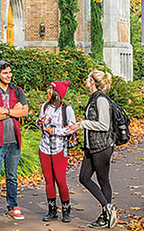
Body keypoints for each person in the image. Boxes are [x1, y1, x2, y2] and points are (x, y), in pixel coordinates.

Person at [66, 70, 117, 229]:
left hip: (101, 147)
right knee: (84, 177)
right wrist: (78, 126)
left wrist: (82, 124)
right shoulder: (94, 98)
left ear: (93, 82)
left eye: (88, 78)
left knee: (103, 180)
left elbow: (104, 125)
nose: (86, 81)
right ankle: (108, 208)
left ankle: (106, 214)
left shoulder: (101, 99)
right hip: (91, 146)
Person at [0, 61, 29, 221]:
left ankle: (13, 206)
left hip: (14, 141)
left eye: (10, 72)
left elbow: (25, 112)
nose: (9, 75)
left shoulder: (17, 90)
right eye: (5, 73)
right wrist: (14, 111)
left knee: (12, 177)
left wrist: (6, 111)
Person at [36, 81, 75, 223]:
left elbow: (72, 128)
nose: (48, 90)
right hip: (44, 147)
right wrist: (39, 122)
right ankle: (51, 210)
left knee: (60, 180)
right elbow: (40, 123)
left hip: (59, 148)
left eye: (51, 89)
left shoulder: (67, 110)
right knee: (48, 180)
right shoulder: (45, 107)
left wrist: (56, 131)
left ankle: (66, 209)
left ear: (57, 93)